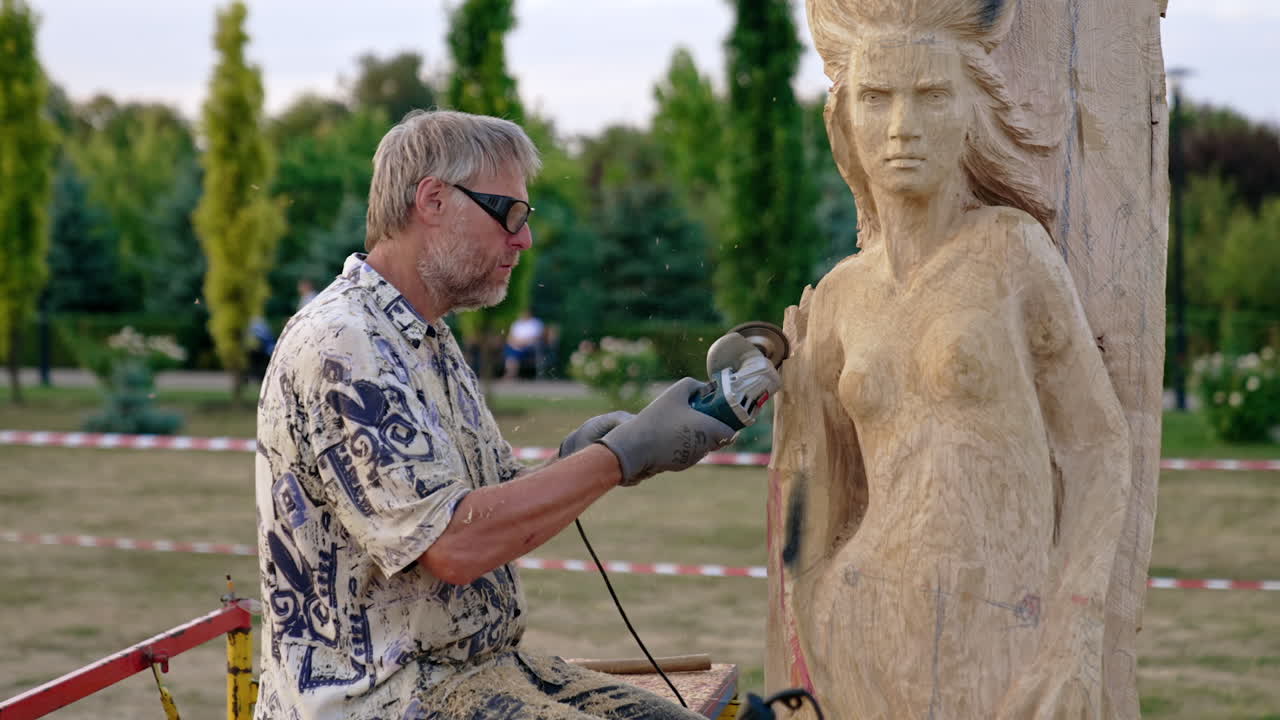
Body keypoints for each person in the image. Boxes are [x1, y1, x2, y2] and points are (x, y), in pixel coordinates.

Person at [253, 109, 735, 720]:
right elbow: (455, 545)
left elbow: (487, 503)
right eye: (509, 213)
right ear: (432, 199)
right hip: (383, 698)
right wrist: (618, 458)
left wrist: (583, 458)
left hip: (472, 673)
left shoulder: (421, 335)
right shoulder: (344, 343)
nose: (523, 238)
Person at [768, 1, 1132, 718]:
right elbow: (816, 485)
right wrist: (810, 618)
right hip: (861, 622)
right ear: (844, 119)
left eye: (931, 96)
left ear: (971, 111)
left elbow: (1097, 447)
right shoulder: (840, 295)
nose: (903, 127)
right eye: (877, 98)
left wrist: (1077, 630)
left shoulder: (1010, 251)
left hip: (1007, 621)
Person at [503, 310, 545, 379]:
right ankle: (511, 374)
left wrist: (522, 343)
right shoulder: (516, 323)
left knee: (513, 354)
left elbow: (536, 338)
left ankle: (510, 375)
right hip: (515, 345)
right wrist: (514, 343)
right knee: (511, 352)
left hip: (529, 347)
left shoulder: (535, 323)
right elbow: (510, 337)